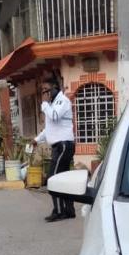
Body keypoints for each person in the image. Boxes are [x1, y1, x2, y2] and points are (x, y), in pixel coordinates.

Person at [33, 77, 75, 222]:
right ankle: (68, 210)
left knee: (53, 179)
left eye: (47, 90)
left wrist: (44, 104)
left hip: (63, 145)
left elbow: (55, 116)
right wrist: (37, 140)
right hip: (60, 145)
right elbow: (49, 128)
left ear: (55, 88)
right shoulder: (52, 104)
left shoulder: (62, 101)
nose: (45, 93)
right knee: (62, 180)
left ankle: (58, 211)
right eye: (43, 91)